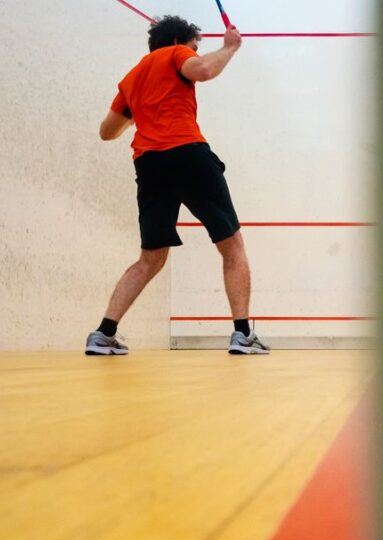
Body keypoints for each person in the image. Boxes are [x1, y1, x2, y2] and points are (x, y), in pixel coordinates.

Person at [86, 16, 269, 356]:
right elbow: (205, 70)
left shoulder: (131, 78)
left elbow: (107, 132)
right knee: (231, 244)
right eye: (193, 47)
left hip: (149, 165)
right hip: (187, 154)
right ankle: (243, 334)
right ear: (176, 42)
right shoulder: (175, 54)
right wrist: (229, 47)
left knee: (150, 258)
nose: (194, 53)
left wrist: (143, 109)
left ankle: (103, 334)